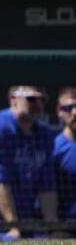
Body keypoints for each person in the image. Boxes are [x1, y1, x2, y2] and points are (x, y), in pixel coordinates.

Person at [0, 86, 59, 239]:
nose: (38, 104)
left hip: (29, 222)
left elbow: (47, 186)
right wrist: (12, 226)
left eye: (42, 100)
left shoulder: (44, 135)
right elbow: (0, 183)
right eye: (31, 99)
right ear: (13, 99)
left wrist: (52, 228)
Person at [54, 87, 76, 223]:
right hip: (64, 225)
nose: (75, 112)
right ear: (59, 111)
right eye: (69, 108)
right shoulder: (52, 148)